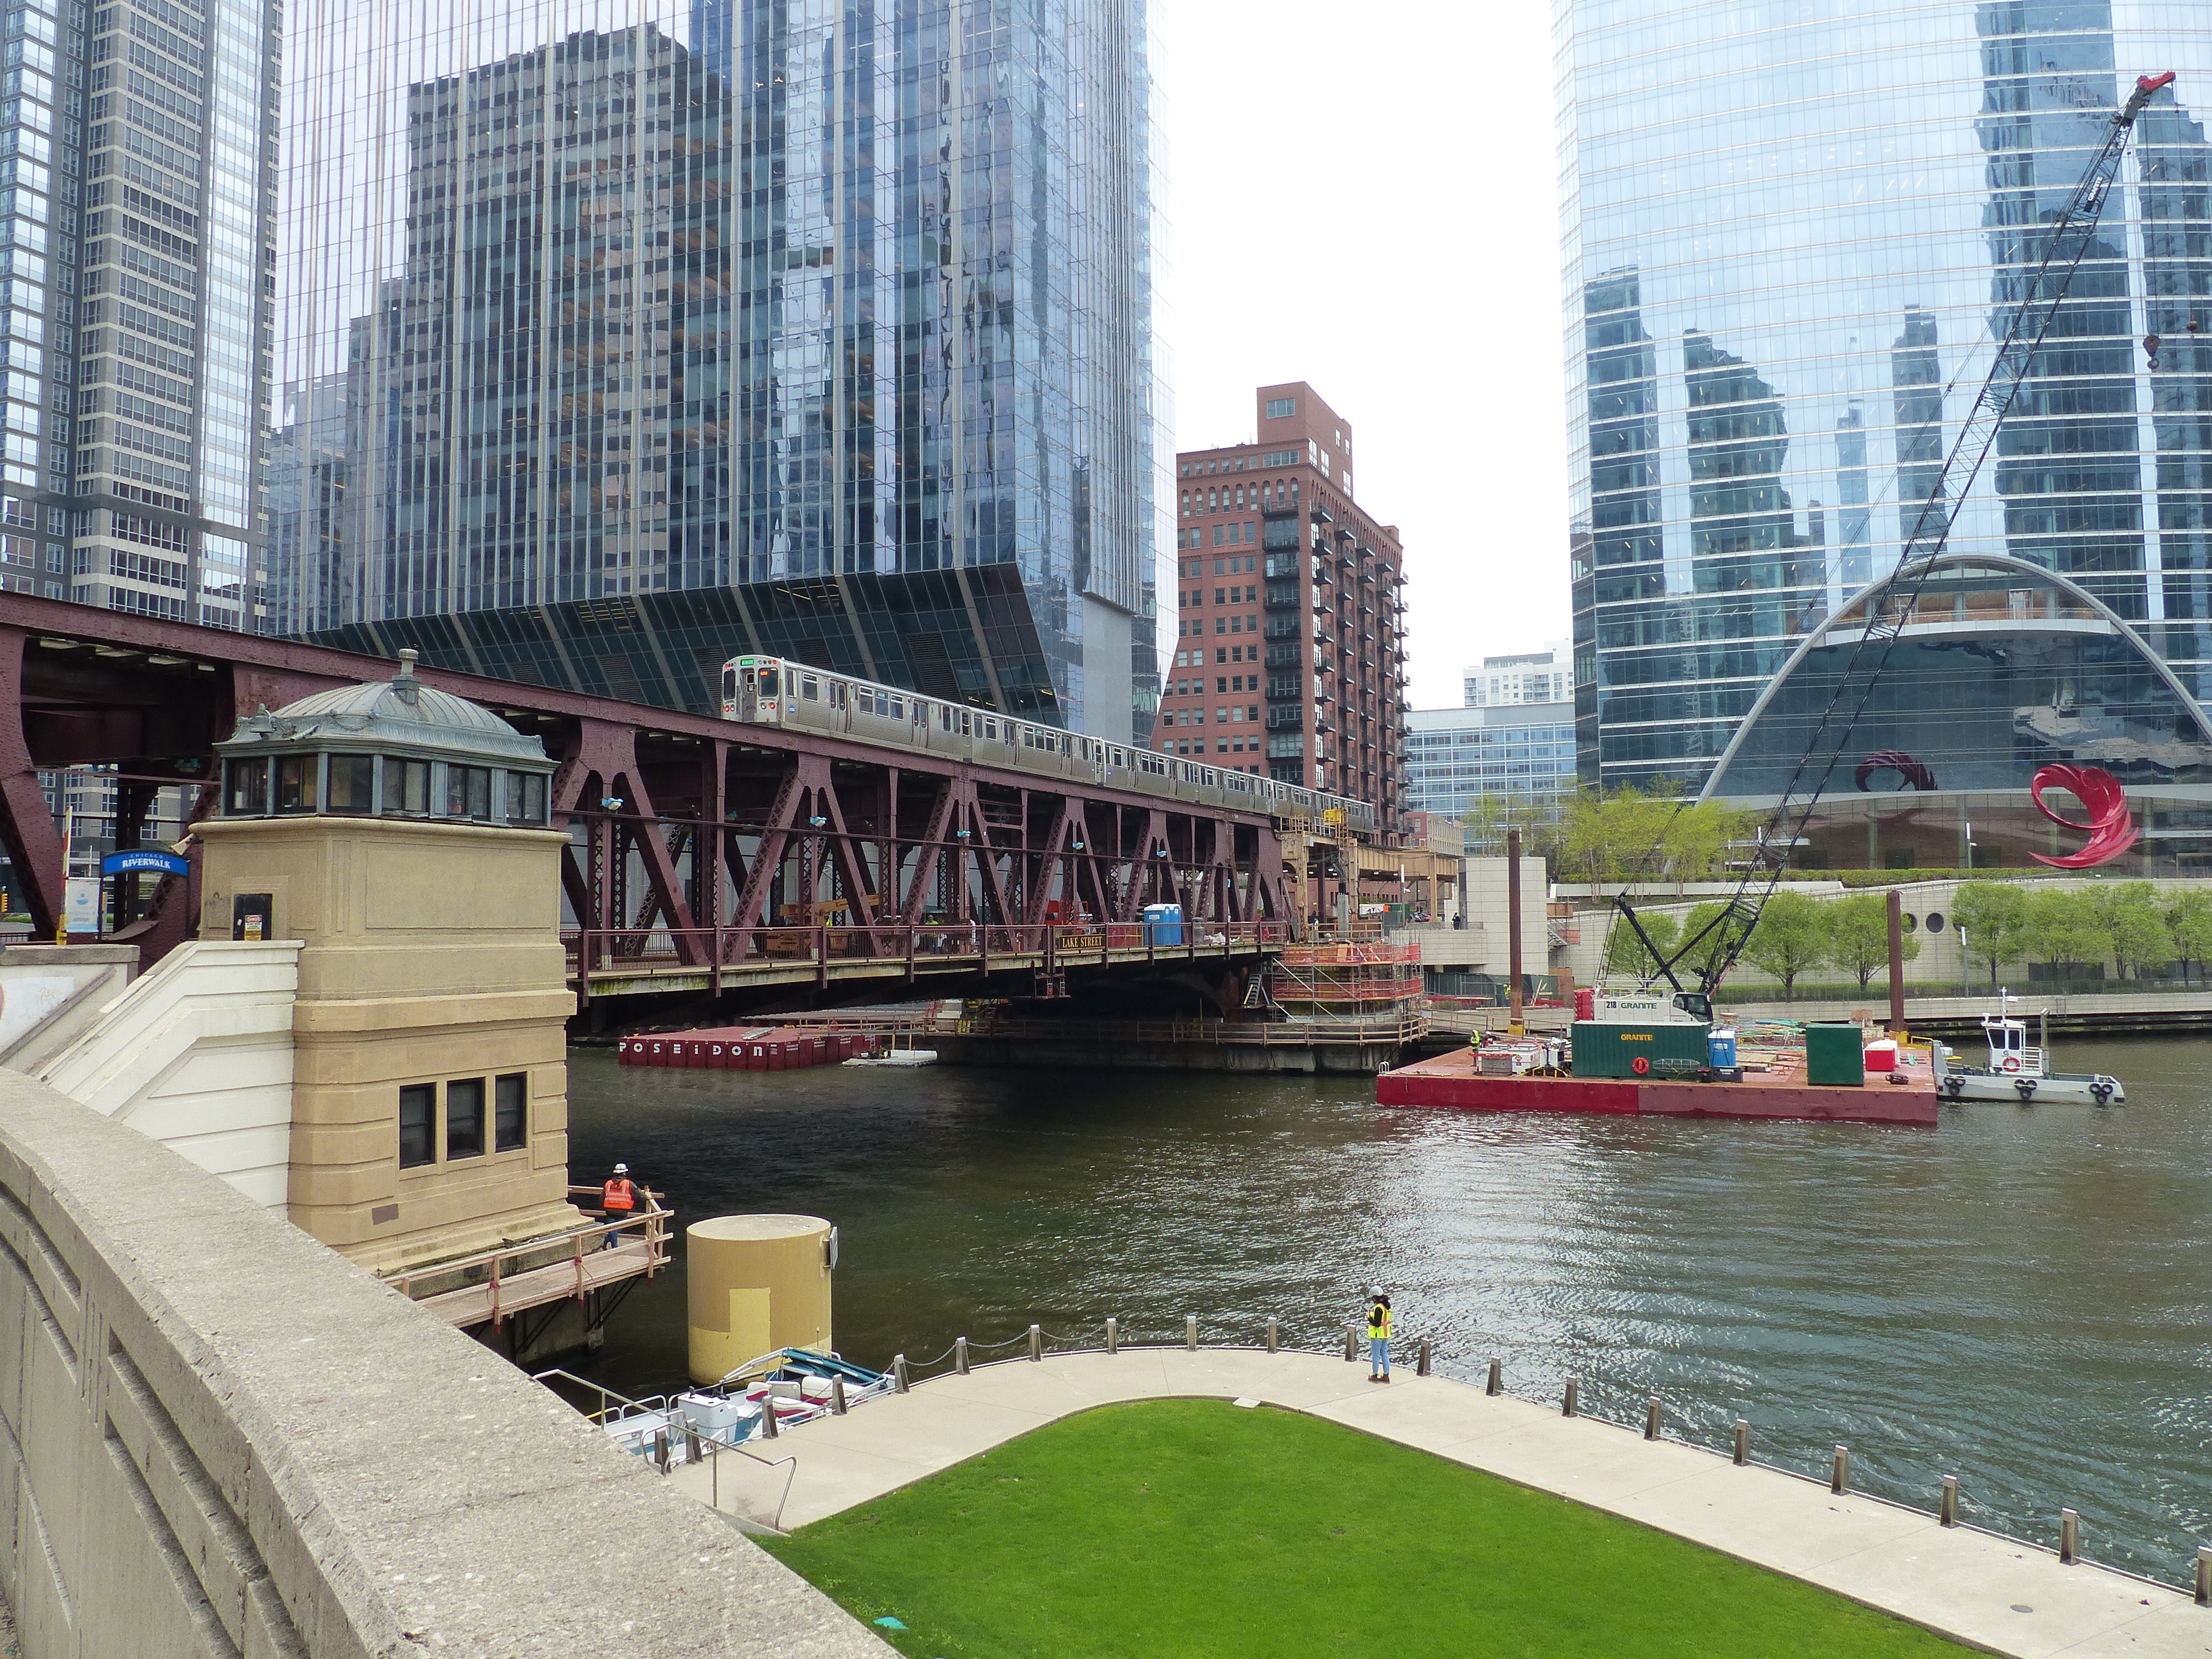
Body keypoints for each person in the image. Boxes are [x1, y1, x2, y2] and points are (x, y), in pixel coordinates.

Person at [601, 1162, 637, 1250]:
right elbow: (639, 1195)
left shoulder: (608, 1183)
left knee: (613, 1229)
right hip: (623, 1211)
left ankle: (605, 1242)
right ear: (624, 1173)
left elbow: (602, 1198)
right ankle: (615, 1248)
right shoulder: (629, 1184)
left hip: (610, 1211)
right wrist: (646, 1197)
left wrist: (605, 1207)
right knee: (616, 1229)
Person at [1366, 1287, 1392, 1383]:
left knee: (1376, 1355)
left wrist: (1369, 1317)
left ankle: (1375, 1375)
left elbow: (1377, 1323)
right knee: (1385, 1354)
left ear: (1374, 1297)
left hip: (1377, 1335)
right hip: (1385, 1334)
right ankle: (1386, 1375)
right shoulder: (1387, 1305)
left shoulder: (1378, 1308)